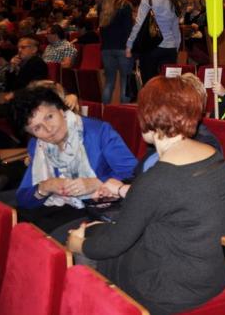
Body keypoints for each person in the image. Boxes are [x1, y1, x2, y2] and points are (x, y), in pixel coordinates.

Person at [67, 76, 225, 315]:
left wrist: (79, 244)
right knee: (99, 230)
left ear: (148, 117)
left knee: (85, 247)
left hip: (173, 288)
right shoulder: (214, 156)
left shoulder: (157, 179)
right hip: (215, 274)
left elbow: (113, 244)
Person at [8, 87, 137, 234]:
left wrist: (97, 182)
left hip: (96, 207)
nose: (48, 129)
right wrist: (46, 186)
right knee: (18, 224)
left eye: (49, 117)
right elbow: (23, 198)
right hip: (61, 207)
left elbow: (134, 173)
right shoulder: (38, 146)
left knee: (43, 234)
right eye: (37, 128)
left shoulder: (98, 131)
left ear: (61, 110)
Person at [126, 0, 181, 85]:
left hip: (151, 48)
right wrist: (175, 49)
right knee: (169, 86)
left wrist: (129, 45)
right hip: (170, 49)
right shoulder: (172, 0)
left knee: (150, 85)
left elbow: (139, 24)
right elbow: (176, 30)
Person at [99, 0, 133, 104]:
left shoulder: (101, 6)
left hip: (106, 49)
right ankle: (124, 111)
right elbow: (128, 30)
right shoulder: (125, 6)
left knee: (109, 82)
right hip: (123, 48)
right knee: (125, 81)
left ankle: (105, 110)